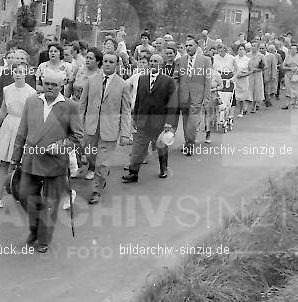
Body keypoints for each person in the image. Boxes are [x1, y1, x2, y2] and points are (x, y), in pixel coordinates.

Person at [10, 70, 84, 253]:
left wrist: (59, 146)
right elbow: (22, 131)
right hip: (30, 159)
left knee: (50, 203)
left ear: (62, 85)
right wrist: (15, 158)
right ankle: (35, 228)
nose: (50, 88)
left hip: (55, 163)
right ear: (42, 82)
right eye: (47, 83)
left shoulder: (70, 106)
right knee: (25, 195)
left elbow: (78, 136)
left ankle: (44, 238)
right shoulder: (32, 101)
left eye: (55, 85)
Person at [78, 52, 132, 204]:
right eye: (106, 61)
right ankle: (100, 176)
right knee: (90, 157)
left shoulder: (123, 85)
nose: (108, 64)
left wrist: (125, 133)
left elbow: (126, 110)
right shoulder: (91, 81)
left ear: (116, 65)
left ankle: (96, 190)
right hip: (90, 128)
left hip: (110, 130)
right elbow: (82, 106)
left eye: (111, 62)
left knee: (103, 163)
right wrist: (78, 126)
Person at [0, 62, 37, 210]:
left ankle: (25, 195)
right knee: (4, 162)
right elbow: (3, 110)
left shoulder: (31, 92)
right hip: (8, 126)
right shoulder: (7, 89)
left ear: (26, 73)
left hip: (23, 127)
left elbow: (33, 115)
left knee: (24, 164)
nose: (18, 74)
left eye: (21, 71)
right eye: (15, 71)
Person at [122, 54, 177, 182]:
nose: (152, 63)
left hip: (160, 122)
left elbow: (172, 102)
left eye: (156, 61)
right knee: (138, 147)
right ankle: (133, 172)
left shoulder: (168, 81)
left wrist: (169, 122)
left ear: (161, 64)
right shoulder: (142, 79)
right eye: (151, 61)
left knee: (161, 146)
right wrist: (135, 117)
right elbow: (139, 100)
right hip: (143, 121)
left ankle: (163, 169)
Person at [173, 37, 212, 156]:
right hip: (183, 95)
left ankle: (190, 143)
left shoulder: (205, 60)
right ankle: (187, 141)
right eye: (187, 46)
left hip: (197, 96)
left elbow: (208, 80)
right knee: (185, 121)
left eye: (191, 45)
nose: (188, 48)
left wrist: (206, 97)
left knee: (193, 121)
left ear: (196, 46)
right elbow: (176, 78)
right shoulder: (180, 60)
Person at [281, 45, 298, 109]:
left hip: (296, 75)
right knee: (288, 90)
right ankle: (287, 104)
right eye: (291, 49)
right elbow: (283, 66)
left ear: (297, 50)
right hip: (288, 75)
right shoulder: (287, 56)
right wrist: (289, 68)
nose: (293, 50)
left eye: (294, 49)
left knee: (296, 90)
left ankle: (294, 104)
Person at [233, 45, 251, 118]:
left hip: (244, 79)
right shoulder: (234, 58)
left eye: (243, 49)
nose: (241, 51)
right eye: (240, 49)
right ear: (237, 50)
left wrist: (244, 75)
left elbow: (251, 70)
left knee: (242, 97)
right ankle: (232, 111)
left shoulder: (248, 59)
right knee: (235, 95)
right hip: (236, 78)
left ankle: (241, 111)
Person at [247, 42, 265, 114]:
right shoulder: (247, 55)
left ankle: (254, 106)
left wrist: (258, 69)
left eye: (255, 46)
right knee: (248, 88)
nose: (253, 47)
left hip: (257, 74)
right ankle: (245, 106)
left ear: (257, 47)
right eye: (252, 46)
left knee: (256, 89)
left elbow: (265, 66)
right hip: (249, 74)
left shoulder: (261, 56)